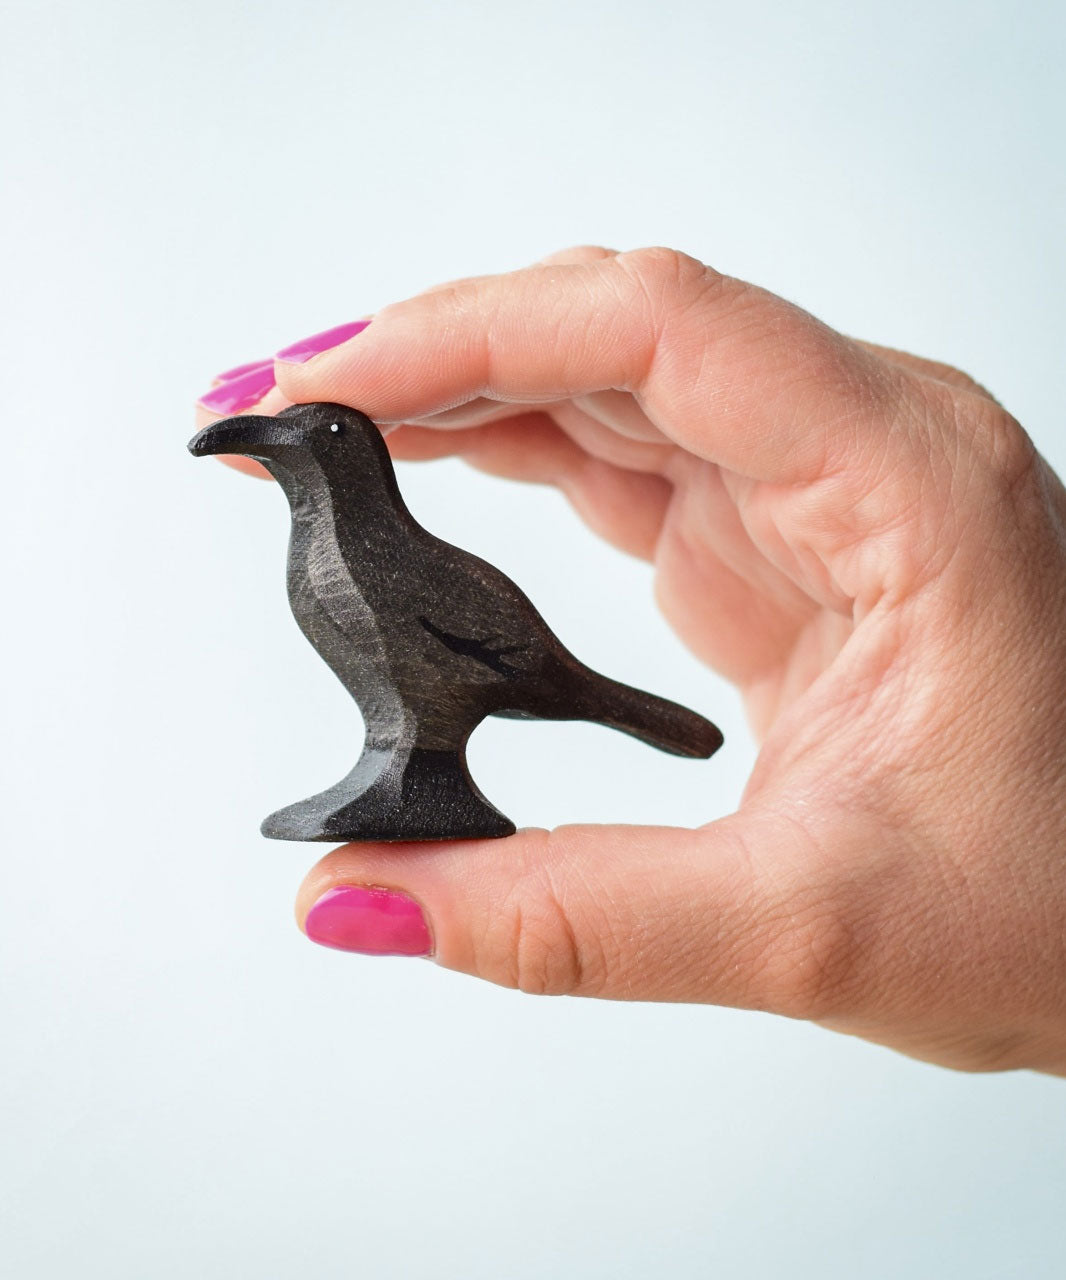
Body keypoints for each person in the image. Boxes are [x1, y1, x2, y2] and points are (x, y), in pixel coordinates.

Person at [195, 245, 1066, 1076]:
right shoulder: (324, 557)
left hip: (505, 662)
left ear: (346, 459)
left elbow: (485, 652)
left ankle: (419, 772)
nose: (288, 446)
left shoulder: (394, 561)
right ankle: (402, 764)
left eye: (314, 439)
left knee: (456, 699)